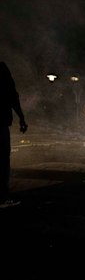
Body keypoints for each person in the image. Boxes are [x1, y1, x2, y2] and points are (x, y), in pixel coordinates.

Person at [0, 61, 28, 208]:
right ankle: (2, 198)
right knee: (2, 160)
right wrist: (21, 118)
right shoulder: (2, 68)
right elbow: (12, 95)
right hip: (0, 123)